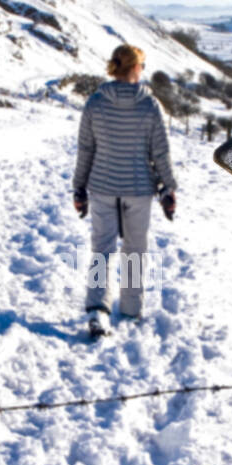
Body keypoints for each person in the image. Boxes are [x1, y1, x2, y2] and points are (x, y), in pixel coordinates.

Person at [72, 44, 177, 339]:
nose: (143, 70)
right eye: (141, 65)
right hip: (139, 189)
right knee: (134, 251)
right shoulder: (149, 105)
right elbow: (161, 152)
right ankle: (130, 310)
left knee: (101, 250)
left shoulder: (95, 102)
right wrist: (168, 188)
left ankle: (97, 310)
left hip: (102, 187)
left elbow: (85, 150)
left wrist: (79, 187)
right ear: (134, 68)